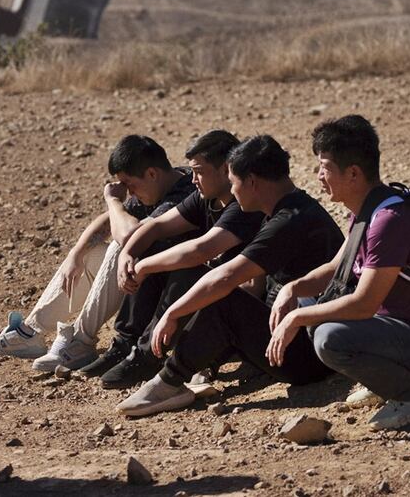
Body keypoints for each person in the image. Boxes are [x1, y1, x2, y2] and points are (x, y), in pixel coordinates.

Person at [266, 114, 410, 429]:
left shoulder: (388, 220)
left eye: (325, 168)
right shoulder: (367, 209)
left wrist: (297, 318)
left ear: (353, 173)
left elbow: (363, 304)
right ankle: (387, 380)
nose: (318, 175)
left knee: (328, 337)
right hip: (399, 328)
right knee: (307, 305)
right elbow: (336, 268)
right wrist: (291, 290)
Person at [116, 135, 344, 417]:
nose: (232, 192)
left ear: (252, 182)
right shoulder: (289, 209)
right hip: (291, 337)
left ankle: (169, 382)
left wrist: (173, 314)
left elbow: (227, 277)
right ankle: (190, 366)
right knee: (223, 296)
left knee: (222, 300)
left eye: (234, 182)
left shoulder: (290, 220)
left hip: (309, 358)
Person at [0, 135, 196, 372]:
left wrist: (114, 202)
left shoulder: (184, 192)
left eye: (130, 185)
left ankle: (81, 341)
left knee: (119, 246)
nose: (130, 194)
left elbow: (132, 237)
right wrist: (76, 254)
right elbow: (105, 223)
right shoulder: (155, 186)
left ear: (152, 174)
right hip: (141, 283)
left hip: (171, 291)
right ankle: (31, 332)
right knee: (91, 253)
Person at [79, 129, 265, 389]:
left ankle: (148, 354)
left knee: (186, 268)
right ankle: (126, 343)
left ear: (225, 170)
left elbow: (201, 250)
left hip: (242, 307)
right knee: (155, 248)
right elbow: (155, 227)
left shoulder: (242, 206)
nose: (194, 180)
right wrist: (129, 254)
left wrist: (143, 265)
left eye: (199, 172)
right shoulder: (204, 198)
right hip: (217, 296)